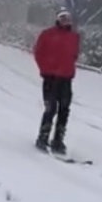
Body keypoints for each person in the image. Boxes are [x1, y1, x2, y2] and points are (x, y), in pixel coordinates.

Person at [33, 9, 80, 154]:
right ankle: (43, 137)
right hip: (50, 77)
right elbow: (38, 53)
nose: (66, 21)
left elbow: (74, 55)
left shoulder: (74, 37)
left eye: (68, 18)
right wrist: (45, 69)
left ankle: (58, 140)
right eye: (63, 18)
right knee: (50, 108)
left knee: (64, 109)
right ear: (58, 20)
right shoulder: (48, 35)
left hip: (66, 78)